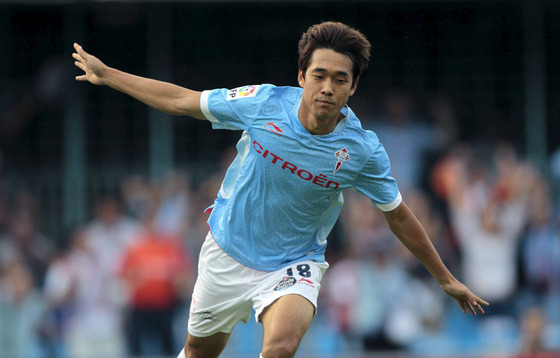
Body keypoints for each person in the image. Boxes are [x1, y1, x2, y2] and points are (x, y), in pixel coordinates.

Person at [72, 21, 489, 358]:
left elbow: (397, 215)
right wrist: (109, 76)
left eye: (340, 79)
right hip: (227, 250)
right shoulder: (262, 103)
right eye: (319, 75)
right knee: (199, 351)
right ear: (301, 76)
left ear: (353, 87)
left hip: (294, 261)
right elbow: (184, 101)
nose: (328, 87)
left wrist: (446, 279)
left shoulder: (361, 151)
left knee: (280, 348)